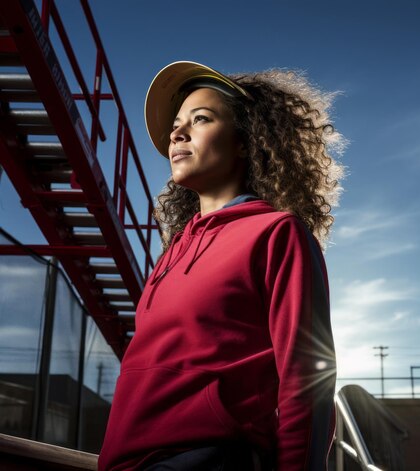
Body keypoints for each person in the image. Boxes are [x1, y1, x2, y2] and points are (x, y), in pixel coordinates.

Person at [97, 61, 344, 471]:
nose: (177, 133)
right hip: (128, 461)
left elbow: (308, 381)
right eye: (176, 124)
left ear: (245, 141)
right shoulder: (174, 250)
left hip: (208, 458)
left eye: (201, 119)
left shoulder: (276, 233)